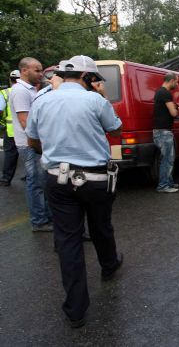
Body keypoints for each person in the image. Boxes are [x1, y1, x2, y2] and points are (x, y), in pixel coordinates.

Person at [26, 55, 124, 328]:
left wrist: (55, 154)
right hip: (95, 178)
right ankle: (108, 265)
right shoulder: (95, 100)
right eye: (93, 79)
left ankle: (76, 310)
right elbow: (116, 129)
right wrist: (101, 96)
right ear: (87, 78)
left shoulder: (41, 101)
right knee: (101, 226)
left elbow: (33, 139)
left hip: (57, 178)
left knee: (68, 241)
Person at [9, 57, 52, 231]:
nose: (40, 74)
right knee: (35, 183)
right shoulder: (20, 91)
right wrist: (38, 143)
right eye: (37, 70)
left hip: (34, 143)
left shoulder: (32, 90)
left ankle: (45, 216)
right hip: (29, 144)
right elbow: (25, 121)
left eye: (41, 70)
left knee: (42, 182)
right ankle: (39, 221)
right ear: (24, 70)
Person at [153, 72, 179, 193]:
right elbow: (173, 113)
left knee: (166, 159)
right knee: (167, 160)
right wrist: (178, 109)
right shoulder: (165, 93)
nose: (177, 84)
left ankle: (168, 182)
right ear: (171, 81)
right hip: (164, 132)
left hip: (160, 131)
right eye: (176, 81)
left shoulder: (159, 92)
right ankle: (163, 186)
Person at [0, 70, 20, 186]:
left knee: (10, 155)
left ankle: (6, 179)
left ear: (10, 80)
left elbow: (0, 109)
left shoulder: (5, 93)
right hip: (26, 130)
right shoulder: (30, 91)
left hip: (11, 130)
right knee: (29, 156)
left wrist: (2, 121)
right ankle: (29, 177)